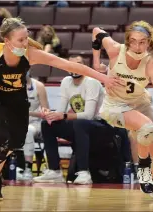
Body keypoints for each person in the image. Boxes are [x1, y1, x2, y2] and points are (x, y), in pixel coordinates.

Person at [0, 17, 122, 201]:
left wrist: (104, 79)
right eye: (20, 40)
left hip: (16, 100)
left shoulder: (31, 54)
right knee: (3, 141)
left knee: (15, 144)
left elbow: (70, 65)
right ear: (7, 41)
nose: (25, 43)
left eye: (26, 38)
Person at [91, 21, 153, 199]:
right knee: (146, 128)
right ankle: (142, 169)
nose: (137, 46)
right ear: (127, 41)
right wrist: (97, 63)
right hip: (114, 106)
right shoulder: (114, 50)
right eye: (133, 41)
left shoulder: (151, 63)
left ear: (149, 43)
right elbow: (96, 31)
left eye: (142, 42)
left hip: (140, 102)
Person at [33, 55, 104, 184]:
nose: (74, 68)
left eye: (78, 64)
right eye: (71, 65)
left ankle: (84, 173)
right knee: (47, 124)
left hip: (101, 127)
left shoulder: (92, 82)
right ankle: (54, 170)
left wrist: (63, 115)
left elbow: (89, 115)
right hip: (81, 127)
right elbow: (61, 111)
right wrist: (51, 115)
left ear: (84, 66)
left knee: (80, 123)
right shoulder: (66, 81)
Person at [18, 73, 49, 181]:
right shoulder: (8, 86)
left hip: (34, 123)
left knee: (28, 131)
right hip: (15, 123)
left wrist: (28, 113)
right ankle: (2, 169)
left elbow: (46, 112)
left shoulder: (39, 86)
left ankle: (28, 169)